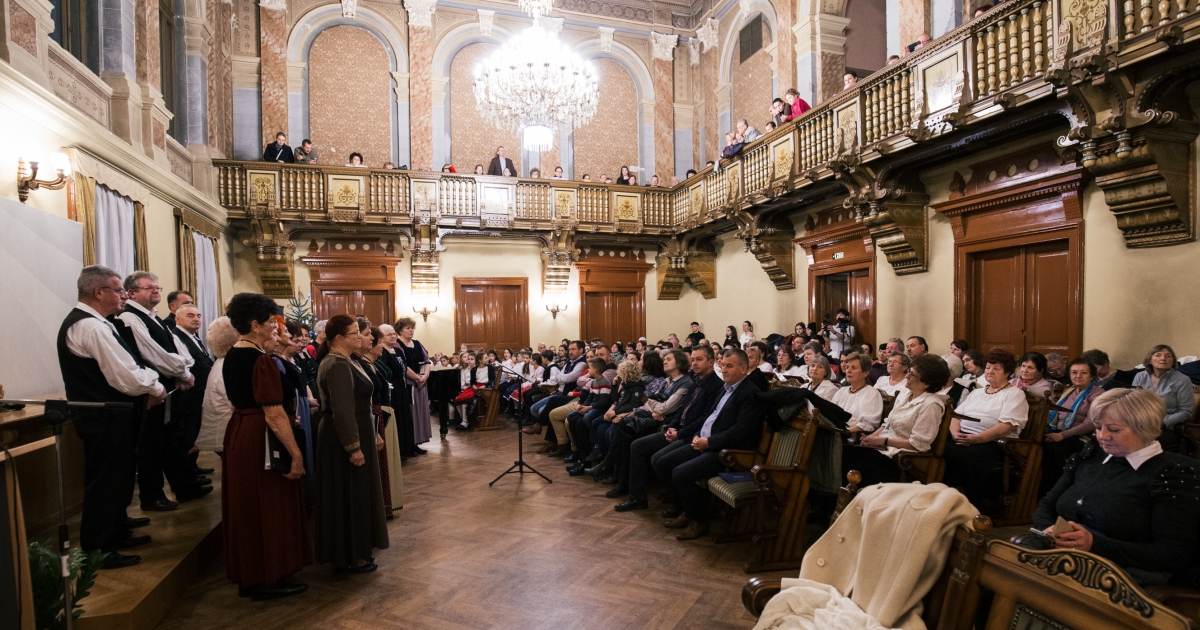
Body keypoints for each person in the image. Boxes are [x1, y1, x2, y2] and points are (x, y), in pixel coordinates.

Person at [1030, 388, 1200, 585]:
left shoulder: (1173, 474)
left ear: (1144, 427)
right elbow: (1047, 504)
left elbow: (1173, 555)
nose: (1102, 436)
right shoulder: (1091, 456)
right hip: (1068, 557)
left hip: (1122, 575)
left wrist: (1095, 544)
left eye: (1114, 429)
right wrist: (1048, 529)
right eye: (1098, 427)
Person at [58, 266, 167, 569]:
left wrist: (149, 383)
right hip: (102, 416)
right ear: (98, 292)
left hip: (111, 414)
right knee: (106, 480)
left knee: (118, 477)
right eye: (118, 290)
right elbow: (125, 375)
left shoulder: (99, 323)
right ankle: (100, 548)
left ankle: (115, 530)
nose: (123, 295)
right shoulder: (90, 327)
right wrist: (155, 385)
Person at [221, 293, 310, 600]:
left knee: (248, 506)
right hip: (262, 436)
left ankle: (252, 575)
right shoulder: (261, 360)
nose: (275, 327)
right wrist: (296, 454)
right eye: (271, 321)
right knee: (268, 505)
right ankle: (268, 576)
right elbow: (273, 412)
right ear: (255, 325)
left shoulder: (232, 354)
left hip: (241, 433)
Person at [116, 271, 208, 511]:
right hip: (153, 391)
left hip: (169, 389)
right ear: (132, 293)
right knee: (151, 446)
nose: (155, 290)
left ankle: (185, 487)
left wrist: (183, 369)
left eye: (157, 286)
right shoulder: (130, 317)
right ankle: (151, 495)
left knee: (170, 442)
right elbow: (152, 353)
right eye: (149, 287)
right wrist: (183, 373)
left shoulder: (154, 317)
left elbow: (180, 351)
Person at [656, 349, 764, 540]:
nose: (724, 370)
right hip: (705, 441)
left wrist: (709, 442)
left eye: (729, 366)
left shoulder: (750, 393)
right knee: (664, 462)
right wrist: (698, 435)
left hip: (727, 451)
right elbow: (709, 417)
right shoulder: (725, 388)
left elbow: (741, 432)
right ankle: (687, 511)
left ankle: (699, 521)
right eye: (722, 365)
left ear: (743, 368)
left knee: (681, 473)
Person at [315, 315, 389, 574]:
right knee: (349, 497)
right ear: (338, 338)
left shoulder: (344, 361)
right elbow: (343, 411)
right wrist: (353, 447)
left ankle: (355, 550)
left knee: (356, 494)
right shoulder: (337, 365)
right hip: (343, 439)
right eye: (355, 332)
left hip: (354, 434)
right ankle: (349, 555)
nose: (360, 336)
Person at [841, 354, 950, 486]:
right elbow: (887, 423)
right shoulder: (906, 393)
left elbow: (918, 444)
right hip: (883, 449)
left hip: (900, 460)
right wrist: (870, 439)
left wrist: (884, 440)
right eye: (909, 371)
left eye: (912, 375)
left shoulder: (931, 405)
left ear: (926, 383)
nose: (906, 376)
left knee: (847, 457)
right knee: (842, 451)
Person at [942, 348, 1030, 507]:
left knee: (960, 455)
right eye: (988, 367)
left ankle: (971, 502)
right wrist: (955, 433)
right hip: (963, 437)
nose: (990, 371)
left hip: (994, 443)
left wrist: (977, 439)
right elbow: (956, 416)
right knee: (940, 448)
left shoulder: (1014, 394)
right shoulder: (977, 393)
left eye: (996, 368)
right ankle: (946, 498)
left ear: (1007, 372)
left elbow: (1006, 426)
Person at [1041, 357, 1104, 493]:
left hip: (1080, 438)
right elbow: (1055, 413)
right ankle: (1042, 494)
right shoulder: (1069, 391)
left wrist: (1062, 435)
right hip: (1058, 433)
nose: (1078, 376)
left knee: (1053, 451)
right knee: (1038, 445)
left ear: (1092, 376)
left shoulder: (1097, 393)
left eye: (1084, 373)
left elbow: (1091, 423)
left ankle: (1057, 492)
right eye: (1074, 372)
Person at [170, 304, 215, 476]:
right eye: (190, 315)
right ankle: (187, 472)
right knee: (187, 434)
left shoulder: (192, 336)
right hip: (189, 393)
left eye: (198, 315)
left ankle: (193, 467)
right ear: (177, 319)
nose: (196, 319)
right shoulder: (177, 337)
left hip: (200, 391)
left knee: (195, 432)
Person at [1132, 344, 1195, 448]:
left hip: (1166, 427)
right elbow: (1131, 403)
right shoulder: (1140, 376)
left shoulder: (1183, 380)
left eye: (1168, 356)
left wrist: (1163, 422)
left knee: (1141, 442)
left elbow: (1185, 411)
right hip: (1139, 423)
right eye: (1158, 355)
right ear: (1149, 360)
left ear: (1173, 361)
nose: (1163, 358)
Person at [196, 317, 237, 454]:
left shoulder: (221, 362)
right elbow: (233, 403)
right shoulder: (227, 366)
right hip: (227, 430)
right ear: (229, 345)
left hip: (223, 428)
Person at [395, 317, 433, 443]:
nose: (411, 330)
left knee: (421, 412)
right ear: (400, 331)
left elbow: (427, 361)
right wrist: (417, 378)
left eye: (412, 328)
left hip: (421, 383)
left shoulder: (417, 343)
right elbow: (403, 366)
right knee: (412, 412)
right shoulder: (397, 345)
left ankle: (419, 440)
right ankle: (411, 442)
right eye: (407, 328)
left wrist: (425, 376)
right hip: (409, 384)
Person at [832, 353, 885, 436]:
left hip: (852, 437)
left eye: (853, 368)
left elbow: (867, 425)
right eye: (847, 367)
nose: (848, 371)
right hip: (835, 432)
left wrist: (844, 432)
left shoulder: (871, 393)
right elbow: (831, 414)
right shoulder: (841, 391)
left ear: (865, 373)